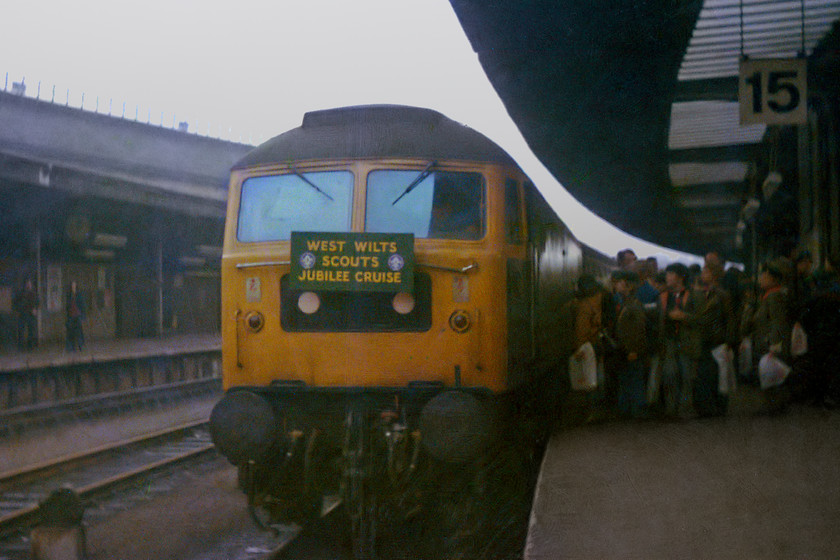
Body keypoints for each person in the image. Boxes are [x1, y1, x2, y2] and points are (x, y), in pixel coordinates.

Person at [743, 257, 793, 414]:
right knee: (770, 375)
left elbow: (778, 323)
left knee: (771, 375)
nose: (760, 279)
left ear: (773, 279)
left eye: (763, 276)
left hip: (770, 343)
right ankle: (774, 406)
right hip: (766, 342)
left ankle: (773, 407)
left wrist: (774, 345)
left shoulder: (774, 297)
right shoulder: (768, 296)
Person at [693, 262, 736, 417]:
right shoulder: (705, 292)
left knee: (716, 374)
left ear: (714, 274)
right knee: (710, 374)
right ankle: (710, 406)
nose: (702, 273)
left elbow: (729, 318)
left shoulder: (721, 294)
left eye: (705, 270)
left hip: (716, 339)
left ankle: (716, 407)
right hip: (708, 339)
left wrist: (728, 341)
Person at [658, 263, 700, 419]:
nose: (667, 277)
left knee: (686, 376)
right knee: (669, 375)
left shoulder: (693, 295)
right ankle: (670, 409)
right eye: (667, 274)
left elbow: (701, 319)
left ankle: (684, 409)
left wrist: (685, 317)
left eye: (670, 274)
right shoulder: (662, 296)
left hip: (686, 341)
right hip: (668, 341)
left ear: (681, 277)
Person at [613, 270, 647, 418]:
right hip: (626, 349)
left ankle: (635, 411)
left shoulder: (634, 304)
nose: (617, 285)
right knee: (628, 378)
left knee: (633, 379)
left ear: (629, 286)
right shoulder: (627, 302)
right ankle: (627, 410)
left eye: (620, 282)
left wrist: (633, 349)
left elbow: (638, 328)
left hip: (631, 349)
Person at [12, 278, 38, 350]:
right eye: (27, 284)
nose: (29, 285)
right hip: (23, 313)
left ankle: (30, 346)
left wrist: (35, 309)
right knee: (21, 330)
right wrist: (18, 310)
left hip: (30, 314)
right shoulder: (21, 292)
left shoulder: (34, 293)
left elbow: (37, 302)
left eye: (30, 284)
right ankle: (21, 346)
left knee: (31, 330)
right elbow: (16, 301)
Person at [65, 281, 86, 352]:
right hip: (71, 316)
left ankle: (80, 345)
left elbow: (82, 306)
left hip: (78, 315)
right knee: (70, 332)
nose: (73, 287)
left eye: (74, 286)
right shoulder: (69, 295)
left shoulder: (79, 295)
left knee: (79, 332)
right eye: (72, 286)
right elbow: (67, 306)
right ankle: (71, 347)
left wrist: (83, 316)